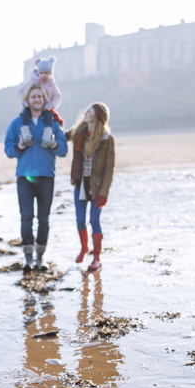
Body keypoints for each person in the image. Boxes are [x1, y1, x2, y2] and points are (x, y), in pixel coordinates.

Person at [4, 83, 69, 271]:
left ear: (44, 99)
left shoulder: (53, 124)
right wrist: (20, 146)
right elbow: (8, 149)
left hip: (47, 175)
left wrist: (54, 144)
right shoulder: (17, 124)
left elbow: (64, 149)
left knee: (44, 218)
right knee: (26, 218)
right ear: (27, 100)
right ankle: (28, 259)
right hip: (24, 177)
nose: (37, 100)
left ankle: (41, 258)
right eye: (33, 97)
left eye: (40, 97)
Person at [65, 102, 115, 271]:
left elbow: (109, 168)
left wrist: (104, 193)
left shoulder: (107, 139)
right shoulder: (79, 133)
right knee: (80, 220)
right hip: (80, 184)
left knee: (94, 220)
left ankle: (96, 258)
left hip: (97, 187)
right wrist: (52, 118)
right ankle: (84, 248)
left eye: (90, 110)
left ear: (98, 115)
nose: (86, 112)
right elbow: (62, 135)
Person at [17, 57, 64, 147]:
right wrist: (26, 103)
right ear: (38, 73)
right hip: (32, 108)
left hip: (46, 107)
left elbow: (57, 96)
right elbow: (22, 92)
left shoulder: (51, 84)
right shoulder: (33, 81)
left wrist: (51, 105)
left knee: (49, 116)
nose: (44, 75)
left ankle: (47, 135)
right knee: (25, 114)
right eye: (41, 73)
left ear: (50, 74)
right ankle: (25, 133)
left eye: (46, 73)